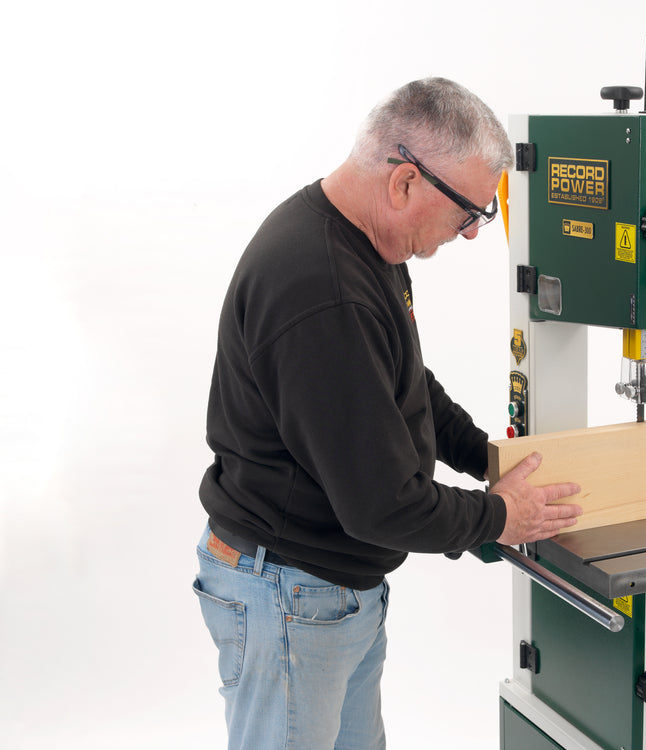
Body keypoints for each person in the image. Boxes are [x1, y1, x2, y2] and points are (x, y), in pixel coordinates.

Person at [192, 77, 583, 750]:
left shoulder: (364, 243)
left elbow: (404, 384)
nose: (472, 232)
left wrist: (489, 459)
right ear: (405, 182)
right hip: (289, 590)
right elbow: (382, 505)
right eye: (470, 212)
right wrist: (497, 518)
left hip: (329, 589)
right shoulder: (321, 287)